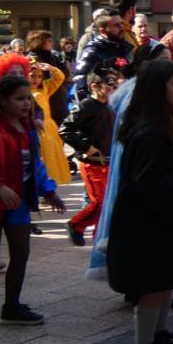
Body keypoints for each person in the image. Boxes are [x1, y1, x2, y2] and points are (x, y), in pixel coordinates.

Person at [107, 59, 173, 344]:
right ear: (155, 89)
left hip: (159, 222)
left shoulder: (159, 124)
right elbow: (148, 182)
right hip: (144, 227)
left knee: (164, 285)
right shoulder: (149, 131)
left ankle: (160, 342)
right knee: (153, 289)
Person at [84, 43, 172, 281]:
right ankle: (138, 284)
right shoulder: (138, 95)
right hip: (138, 168)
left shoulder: (150, 92)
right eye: (163, 61)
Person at [0, 75, 65, 323]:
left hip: (17, 203)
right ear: (2, 101)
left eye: (28, 99)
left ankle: (12, 306)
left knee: (20, 255)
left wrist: (49, 191)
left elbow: (35, 165)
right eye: (19, 99)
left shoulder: (29, 129)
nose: (25, 104)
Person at [60, 71, 115, 246]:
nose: (112, 89)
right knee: (99, 202)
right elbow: (65, 130)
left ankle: (101, 238)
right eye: (108, 85)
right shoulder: (84, 106)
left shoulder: (109, 107)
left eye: (114, 85)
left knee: (108, 203)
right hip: (91, 164)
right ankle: (76, 224)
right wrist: (85, 147)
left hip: (108, 161)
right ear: (94, 86)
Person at [28, 62, 71, 185]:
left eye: (39, 76)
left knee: (49, 158)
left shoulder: (45, 88)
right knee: (37, 157)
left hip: (47, 127)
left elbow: (59, 78)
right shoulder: (22, 90)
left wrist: (51, 68)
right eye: (32, 76)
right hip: (31, 127)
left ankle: (48, 184)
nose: (35, 79)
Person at [74, 9, 132, 100]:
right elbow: (80, 77)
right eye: (116, 25)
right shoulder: (92, 51)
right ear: (103, 30)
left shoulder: (125, 47)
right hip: (103, 105)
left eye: (121, 23)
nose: (122, 28)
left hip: (122, 101)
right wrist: (90, 104)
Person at [26, 30, 71, 127]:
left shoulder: (54, 55)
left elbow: (65, 74)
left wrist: (53, 69)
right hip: (40, 96)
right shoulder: (31, 59)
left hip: (57, 95)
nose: (52, 43)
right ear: (39, 42)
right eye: (49, 40)